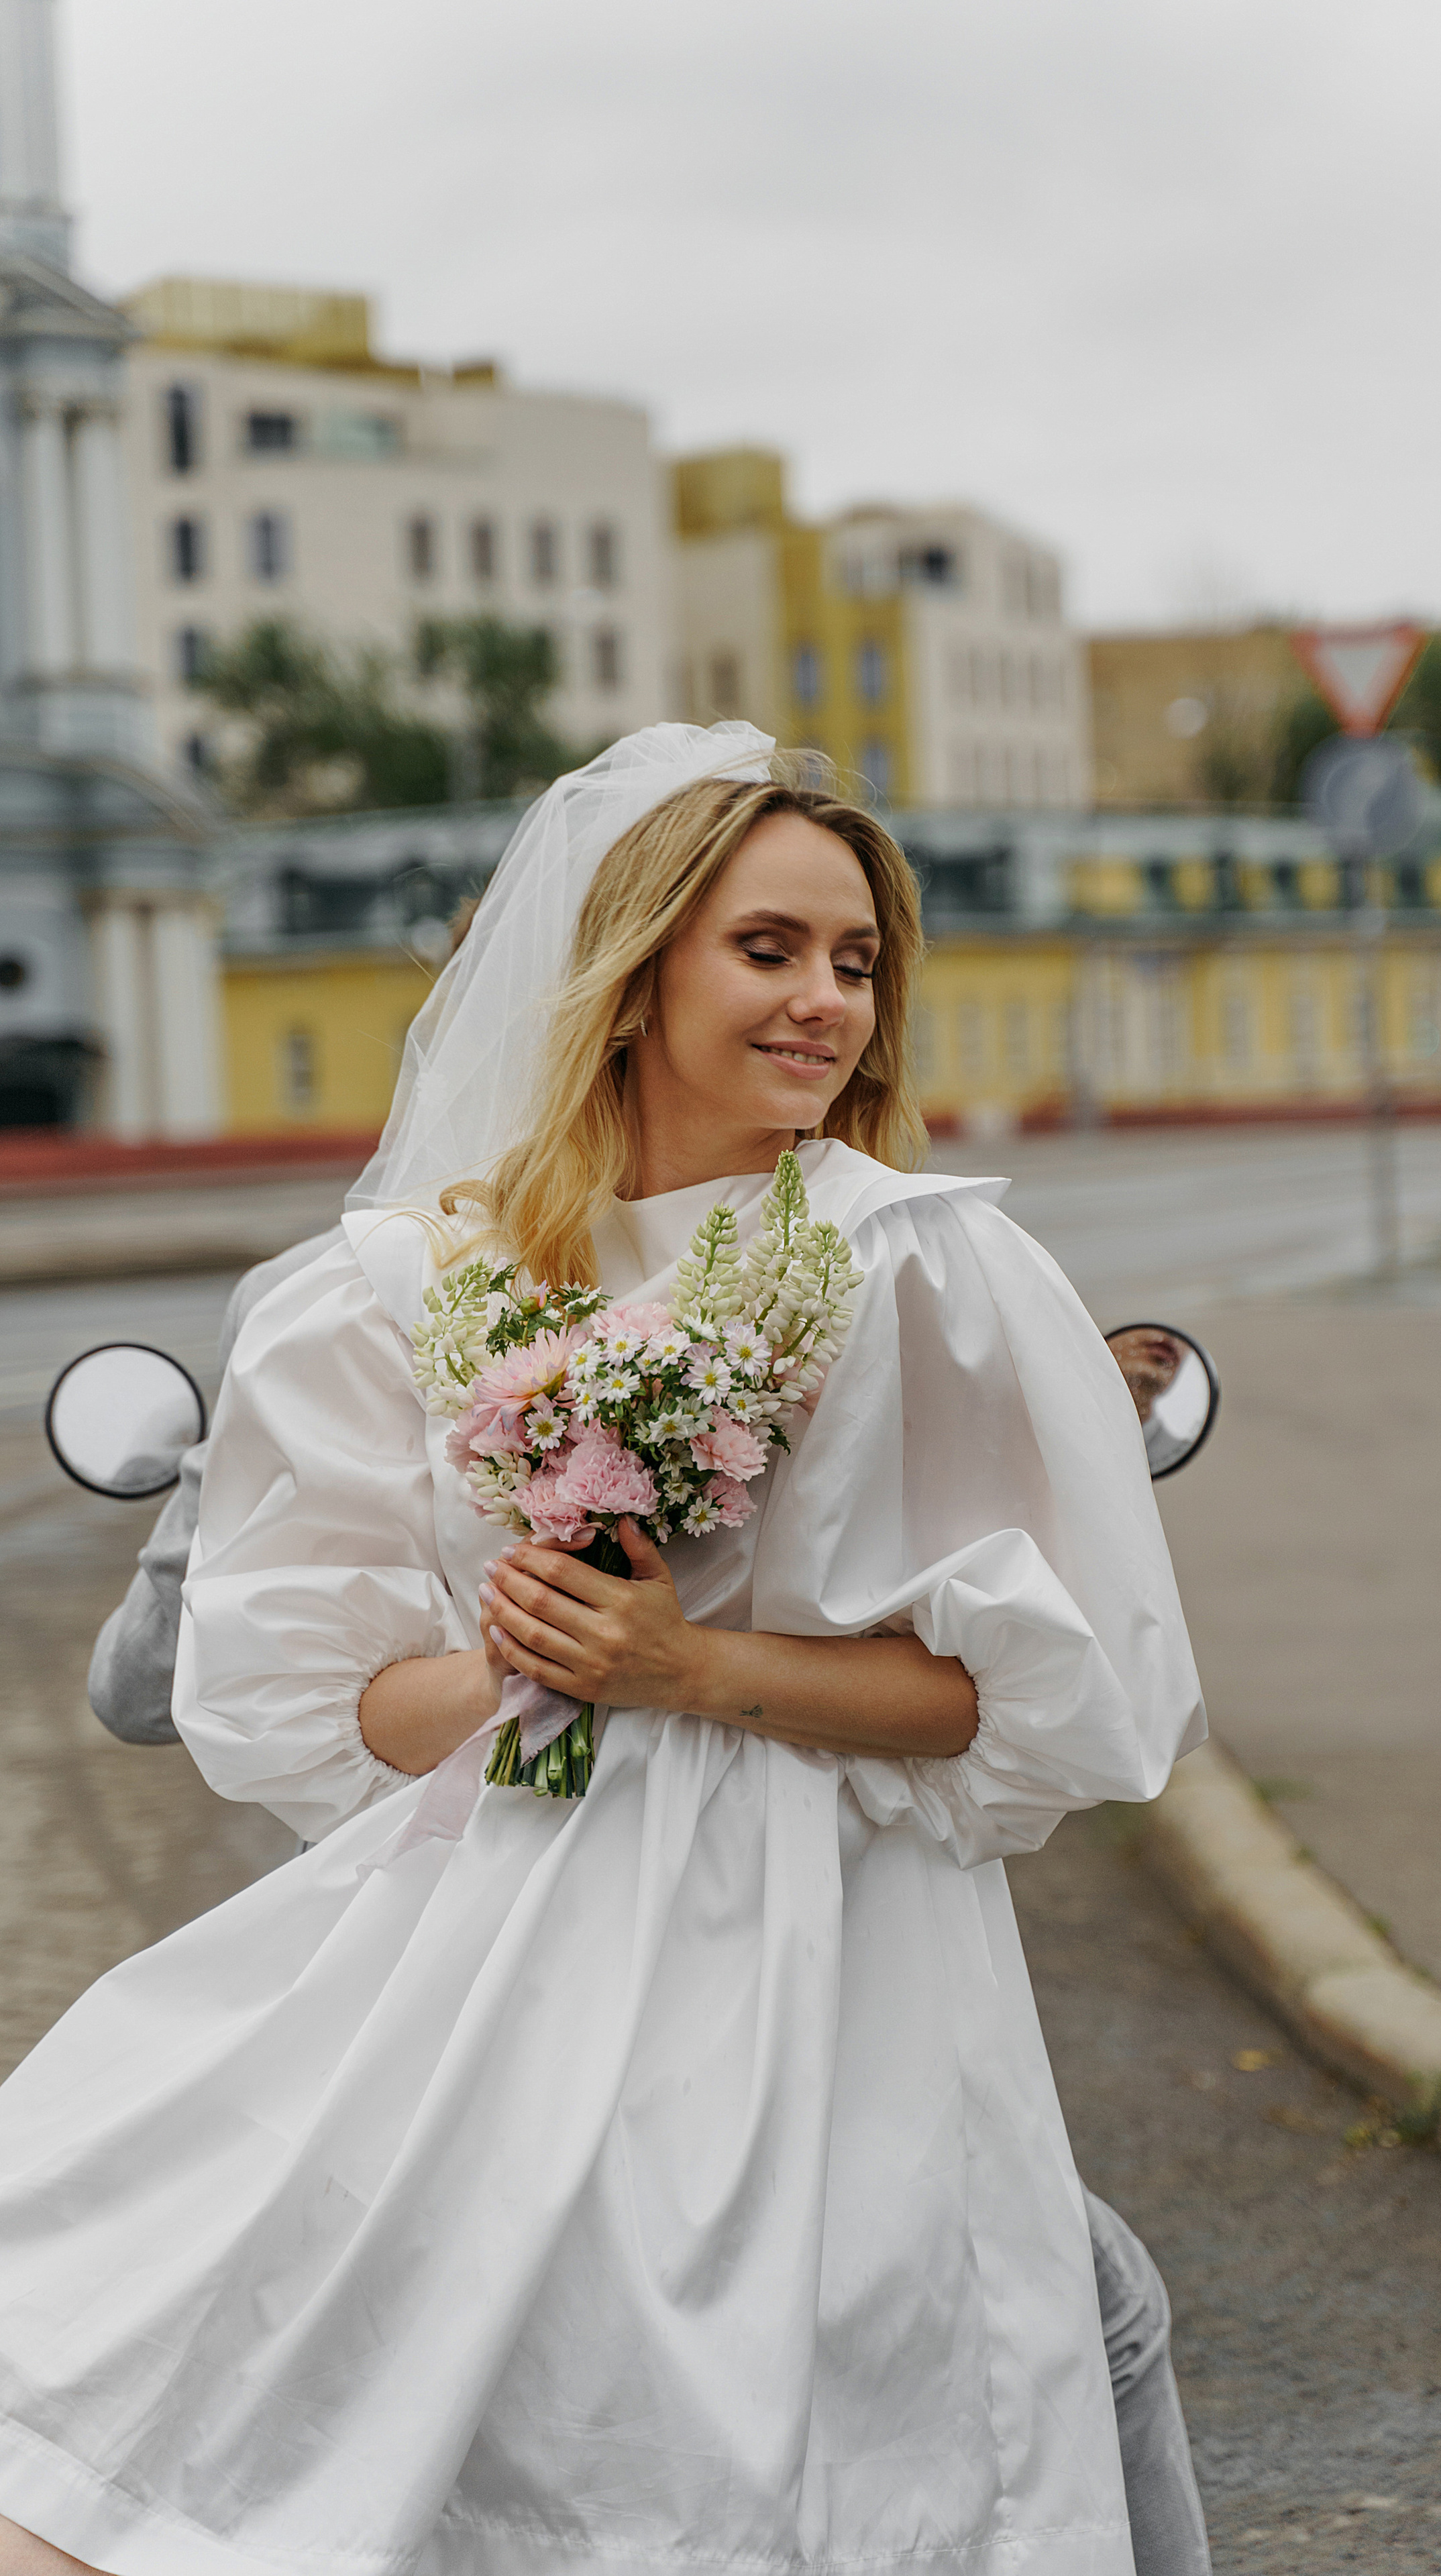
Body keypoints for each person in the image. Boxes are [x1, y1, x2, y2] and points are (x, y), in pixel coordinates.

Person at [1, 722, 1208, 2576]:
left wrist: (692, 1667)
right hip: (485, 1941)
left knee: (763, 2440)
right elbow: (334, 1714)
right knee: (160, 2289)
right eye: (770, 948)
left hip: (825, 1958)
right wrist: (525, 1659)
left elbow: (1030, 1708)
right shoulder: (400, 1287)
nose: (828, 1004)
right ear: (632, 973)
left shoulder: (918, 1268)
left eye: (858, 962)